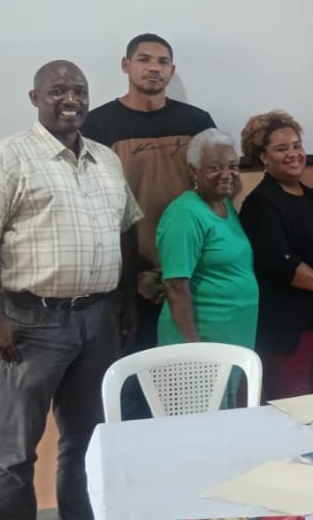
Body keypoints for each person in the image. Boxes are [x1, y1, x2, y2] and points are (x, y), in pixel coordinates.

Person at [0, 60, 141, 520]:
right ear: (35, 97)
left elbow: (126, 231)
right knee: (12, 454)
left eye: (79, 90)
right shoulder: (6, 157)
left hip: (97, 319)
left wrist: (125, 302)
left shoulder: (106, 159)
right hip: (28, 324)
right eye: (58, 90)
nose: (71, 99)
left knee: (86, 443)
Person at [81, 33, 215, 418]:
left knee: (191, 389)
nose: (154, 68)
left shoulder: (197, 122)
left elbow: (215, 193)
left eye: (162, 61)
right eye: (144, 59)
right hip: (128, 283)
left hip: (190, 277)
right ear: (126, 65)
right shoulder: (98, 125)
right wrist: (131, 279)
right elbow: (91, 205)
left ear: (172, 71)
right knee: (133, 394)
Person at [238, 111, 313, 399]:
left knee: (311, 398)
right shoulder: (259, 204)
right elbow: (281, 264)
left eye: (297, 145)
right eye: (281, 148)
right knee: (291, 404)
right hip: (285, 329)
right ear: (263, 157)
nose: (293, 154)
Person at [156, 129, 259, 406]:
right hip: (198, 345)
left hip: (230, 340)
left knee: (226, 420)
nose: (227, 174)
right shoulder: (184, 214)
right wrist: (196, 349)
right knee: (199, 423)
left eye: (233, 166)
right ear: (194, 170)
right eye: (215, 168)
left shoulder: (224, 205)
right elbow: (175, 287)